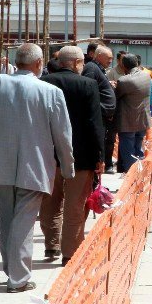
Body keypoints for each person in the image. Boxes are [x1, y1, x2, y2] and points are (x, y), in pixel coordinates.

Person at [0, 44, 74, 293]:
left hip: (1, 164)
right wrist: (68, 169)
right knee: (23, 222)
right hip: (35, 166)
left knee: (8, 220)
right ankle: (18, 278)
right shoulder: (51, 92)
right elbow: (63, 136)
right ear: (39, 64)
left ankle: (12, 270)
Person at [39, 46, 105, 265]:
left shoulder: (45, 83)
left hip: (48, 154)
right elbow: (95, 124)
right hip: (81, 156)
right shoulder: (88, 84)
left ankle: (51, 245)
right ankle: (70, 253)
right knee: (75, 205)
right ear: (77, 62)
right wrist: (100, 157)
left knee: (50, 201)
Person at [113, 53, 151, 173]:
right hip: (143, 119)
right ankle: (139, 175)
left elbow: (117, 95)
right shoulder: (146, 76)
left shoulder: (124, 80)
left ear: (123, 66)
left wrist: (114, 86)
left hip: (128, 121)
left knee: (128, 152)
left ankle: (132, 176)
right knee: (138, 149)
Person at [94, 47, 119, 173]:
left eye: (112, 59)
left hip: (107, 116)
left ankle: (106, 163)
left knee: (110, 141)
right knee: (103, 142)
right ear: (98, 56)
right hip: (101, 115)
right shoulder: (93, 68)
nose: (110, 61)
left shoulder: (101, 69)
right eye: (108, 58)